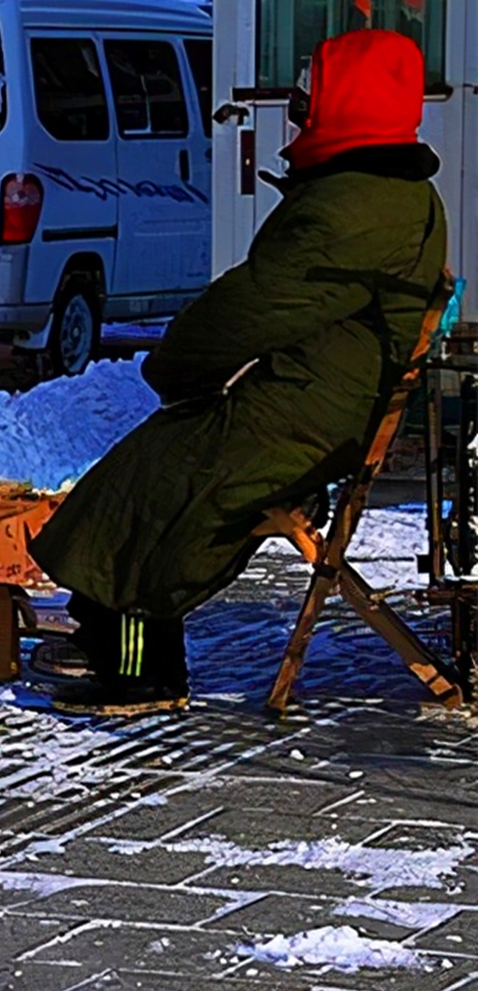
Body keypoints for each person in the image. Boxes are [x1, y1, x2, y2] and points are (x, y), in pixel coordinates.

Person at [27, 29, 449, 716]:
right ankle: (101, 630)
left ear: (350, 104)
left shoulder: (355, 204)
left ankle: (138, 669)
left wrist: (177, 364)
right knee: (159, 463)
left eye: (312, 94)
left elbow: (252, 307)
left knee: (158, 489)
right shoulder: (382, 192)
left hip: (304, 418)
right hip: (313, 407)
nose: (299, 107)